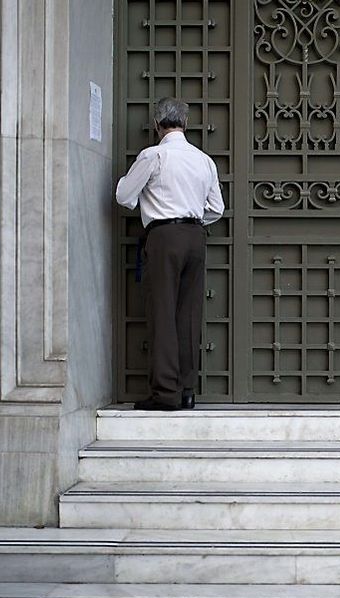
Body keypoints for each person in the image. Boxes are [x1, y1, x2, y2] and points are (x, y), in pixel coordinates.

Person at [115, 97, 224, 411]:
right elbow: (216, 208)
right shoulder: (204, 159)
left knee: (162, 313)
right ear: (186, 123)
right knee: (188, 315)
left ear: (156, 124)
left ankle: (165, 393)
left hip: (164, 236)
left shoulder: (154, 155)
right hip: (195, 236)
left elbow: (124, 197)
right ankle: (187, 390)